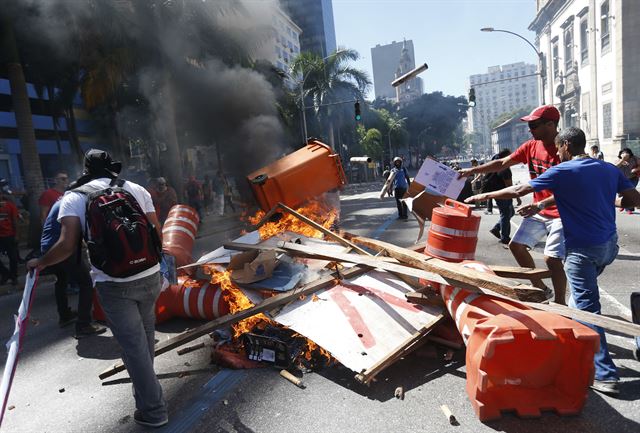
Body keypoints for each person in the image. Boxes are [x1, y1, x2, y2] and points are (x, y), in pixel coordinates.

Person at [465, 127, 640, 396]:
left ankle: (605, 374)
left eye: (559, 149)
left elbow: (518, 189)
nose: (557, 153)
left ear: (567, 146)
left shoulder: (564, 170)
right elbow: (632, 199)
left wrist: (483, 196)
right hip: (608, 247)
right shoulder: (607, 169)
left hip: (582, 250)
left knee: (587, 310)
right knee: (575, 302)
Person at [27, 149, 168, 427]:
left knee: (134, 348)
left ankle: (154, 411)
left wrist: (40, 262)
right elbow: (156, 231)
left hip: (115, 284)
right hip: (150, 275)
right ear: (111, 168)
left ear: (86, 170)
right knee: (144, 339)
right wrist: (155, 265)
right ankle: (145, 398)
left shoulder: (74, 197)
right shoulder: (136, 188)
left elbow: (67, 246)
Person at [458, 105, 566, 304]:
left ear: (551, 125)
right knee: (516, 246)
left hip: (560, 212)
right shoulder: (531, 146)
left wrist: (540, 205)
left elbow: (568, 190)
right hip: (539, 210)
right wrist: (473, 171)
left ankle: (561, 303)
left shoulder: (563, 150)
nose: (530, 129)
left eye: (534, 125)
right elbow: (502, 163)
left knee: (552, 259)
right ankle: (541, 288)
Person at [41, 199, 106, 337]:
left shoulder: (61, 202)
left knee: (61, 280)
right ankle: (84, 324)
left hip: (48, 247)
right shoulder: (74, 202)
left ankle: (65, 315)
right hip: (62, 248)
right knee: (86, 283)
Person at [486, 149, 522, 245]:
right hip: (503, 194)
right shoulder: (505, 168)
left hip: (495, 191)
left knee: (510, 212)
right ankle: (505, 237)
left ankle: (497, 228)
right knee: (506, 213)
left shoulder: (495, 162)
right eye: (511, 156)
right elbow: (509, 185)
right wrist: (517, 197)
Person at [0, 183, 18, 285]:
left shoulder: (9, 205)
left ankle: (14, 277)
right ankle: (5, 273)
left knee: (13, 258)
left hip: (9, 235)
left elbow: (15, 221)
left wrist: (16, 235)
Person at [614, 148, 639, 214]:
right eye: (622, 153)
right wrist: (622, 160)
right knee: (621, 193)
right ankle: (622, 204)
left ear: (630, 154)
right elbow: (614, 167)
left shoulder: (635, 158)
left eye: (626, 153)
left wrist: (636, 169)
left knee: (629, 192)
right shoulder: (618, 160)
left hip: (633, 178)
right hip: (622, 179)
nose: (625, 155)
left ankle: (629, 209)